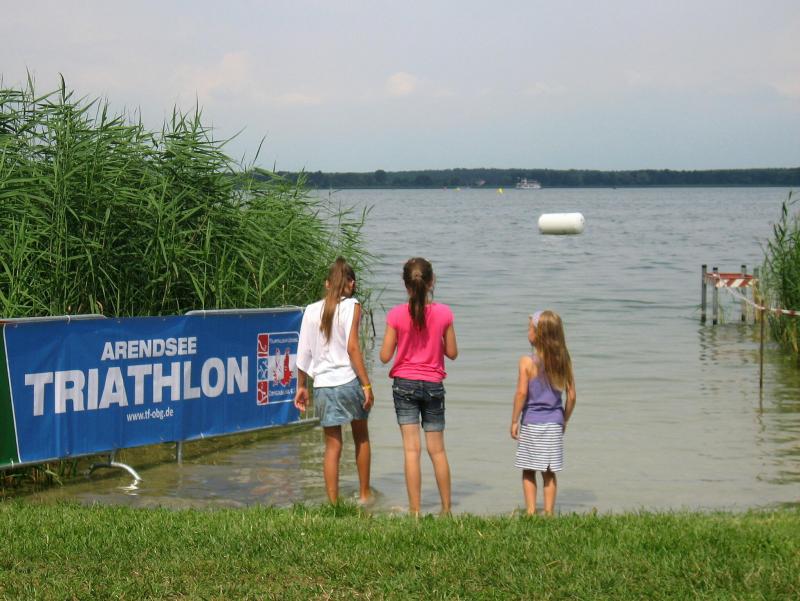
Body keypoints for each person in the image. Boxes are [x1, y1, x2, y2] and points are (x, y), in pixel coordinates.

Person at [379, 257, 458, 515]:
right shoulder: (444, 313)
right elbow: (452, 352)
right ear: (432, 281)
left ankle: (415, 511)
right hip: (433, 384)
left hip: (404, 384)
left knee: (412, 450)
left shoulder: (396, 315)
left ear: (406, 285)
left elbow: (385, 356)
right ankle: (446, 509)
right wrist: (435, 340)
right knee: (438, 450)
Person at [294, 257, 374, 504]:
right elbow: (353, 348)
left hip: (324, 386)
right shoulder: (352, 305)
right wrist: (366, 385)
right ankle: (364, 495)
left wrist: (301, 386)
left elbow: (303, 354)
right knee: (361, 437)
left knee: (332, 446)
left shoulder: (310, 310)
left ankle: (334, 503)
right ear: (351, 283)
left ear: (327, 284)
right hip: (349, 381)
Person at [510, 310, 576, 516]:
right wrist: (564, 419)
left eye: (529, 328)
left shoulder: (526, 362)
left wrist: (514, 421)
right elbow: (572, 396)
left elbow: (521, 393)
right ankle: (548, 513)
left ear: (538, 334)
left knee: (528, 469)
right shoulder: (563, 360)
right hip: (554, 423)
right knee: (549, 472)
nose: (527, 332)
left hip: (531, 423)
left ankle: (531, 511)